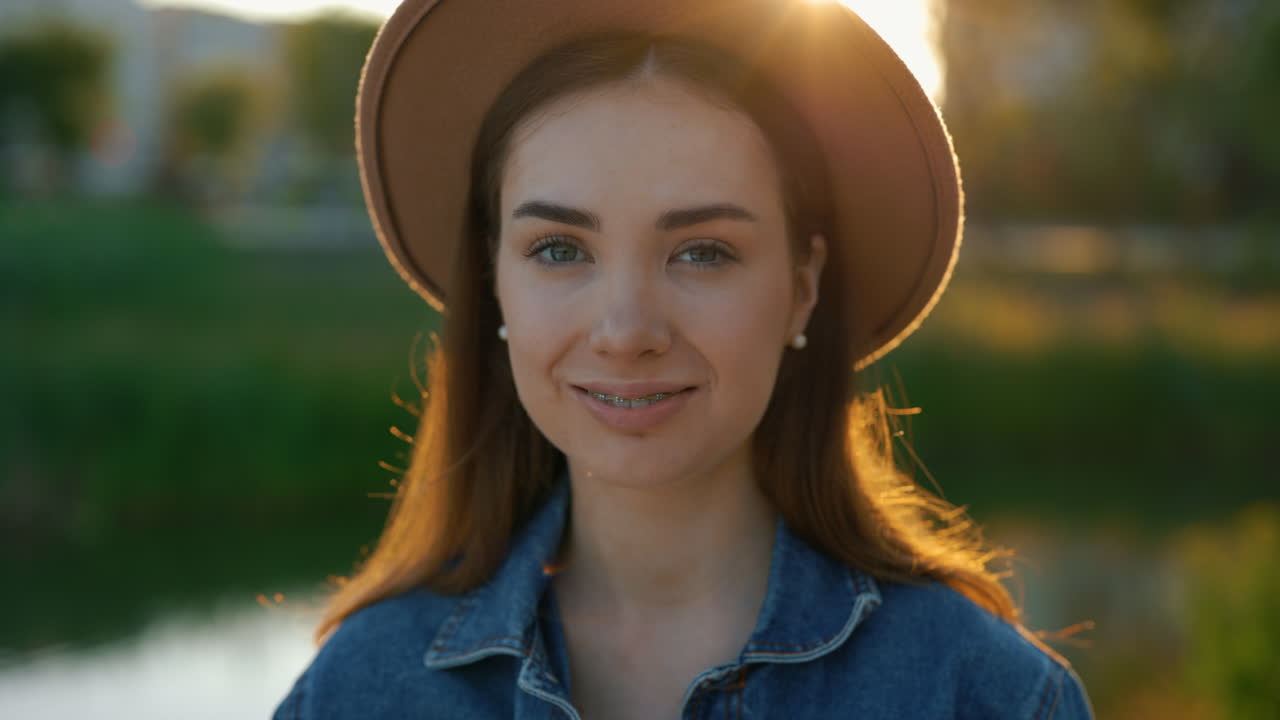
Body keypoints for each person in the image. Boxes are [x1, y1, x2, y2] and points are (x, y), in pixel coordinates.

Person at [274, 0, 1094, 717]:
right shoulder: (362, 691)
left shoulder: (982, 697)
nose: (626, 329)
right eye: (560, 249)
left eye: (702, 252)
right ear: (494, 282)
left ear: (802, 290)